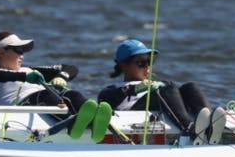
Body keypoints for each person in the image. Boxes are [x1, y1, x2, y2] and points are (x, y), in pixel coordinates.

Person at [97, 38, 226, 144]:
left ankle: (210, 126)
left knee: (190, 87)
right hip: (134, 111)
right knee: (168, 88)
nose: (147, 67)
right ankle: (190, 129)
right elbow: (104, 100)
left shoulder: (156, 85)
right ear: (124, 65)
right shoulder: (112, 90)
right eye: (141, 63)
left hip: (161, 102)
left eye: (150, 61)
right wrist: (136, 88)